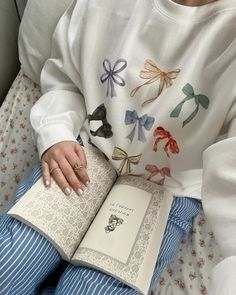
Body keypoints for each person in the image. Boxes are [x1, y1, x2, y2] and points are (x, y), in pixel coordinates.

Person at [0, 0, 236, 294]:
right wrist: (55, 132)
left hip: (169, 189)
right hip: (86, 150)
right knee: (10, 264)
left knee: (91, 289)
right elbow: (66, 75)